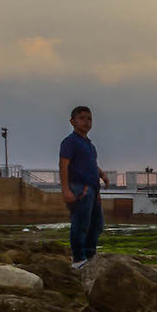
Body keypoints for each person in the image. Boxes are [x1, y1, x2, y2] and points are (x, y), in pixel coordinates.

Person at [59, 104, 104, 265]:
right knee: (80, 223)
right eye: (82, 118)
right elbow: (63, 165)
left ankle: (90, 255)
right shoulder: (70, 142)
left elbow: (91, 164)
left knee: (97, 224)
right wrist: (65, 190)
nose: (86, 122)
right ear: (72, 122)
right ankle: (78, 259)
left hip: (93, 189)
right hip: (79, 188)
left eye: (89, 118)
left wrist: (102, 175)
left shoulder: (90, 145)